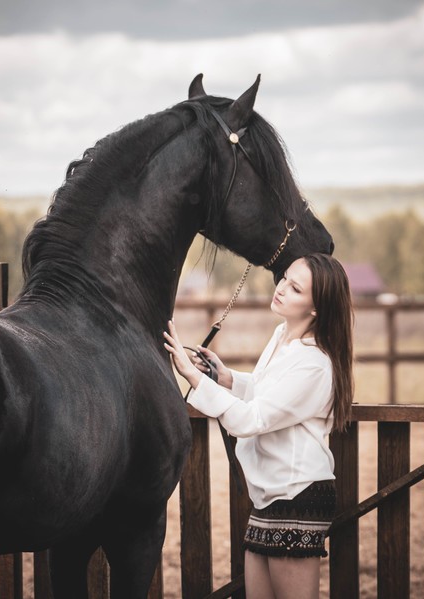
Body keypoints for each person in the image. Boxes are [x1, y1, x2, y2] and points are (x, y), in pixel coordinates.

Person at [163, 252, 354, 599]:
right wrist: (224, 377)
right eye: (285, 280)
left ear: (316, 308)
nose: (281, 289)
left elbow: (252, 419)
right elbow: (269, 396)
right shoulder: (283, 337)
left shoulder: (314, 363)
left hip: (297, 495)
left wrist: (192, 376)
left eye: (296, 289)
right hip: (269, 496)